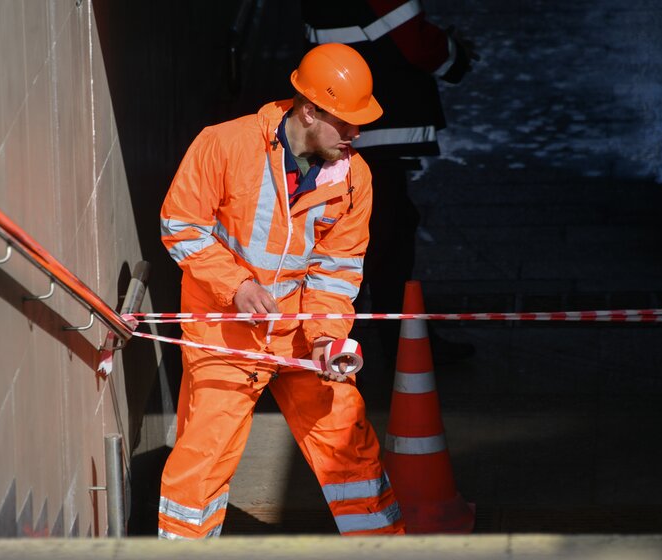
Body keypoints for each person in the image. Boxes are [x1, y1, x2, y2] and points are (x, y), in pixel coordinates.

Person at [158, 43, 404, 539]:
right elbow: (181, 225)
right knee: (203, 461)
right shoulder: (225, 144)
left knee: (348, 449)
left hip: (300, 335)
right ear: (309, 111)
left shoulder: (354, 178)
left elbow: (336, 272)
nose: (356, 134)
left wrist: (326, 337)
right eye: (346, 122)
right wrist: (237, 286)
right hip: (224, 331)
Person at [301, 0, 479, 368]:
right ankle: (337, 347)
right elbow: (416, 41)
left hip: (353, 125)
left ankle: (399, 342)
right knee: (379, 238)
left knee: (388, 231)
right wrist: (457, 54)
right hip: (373, 126)